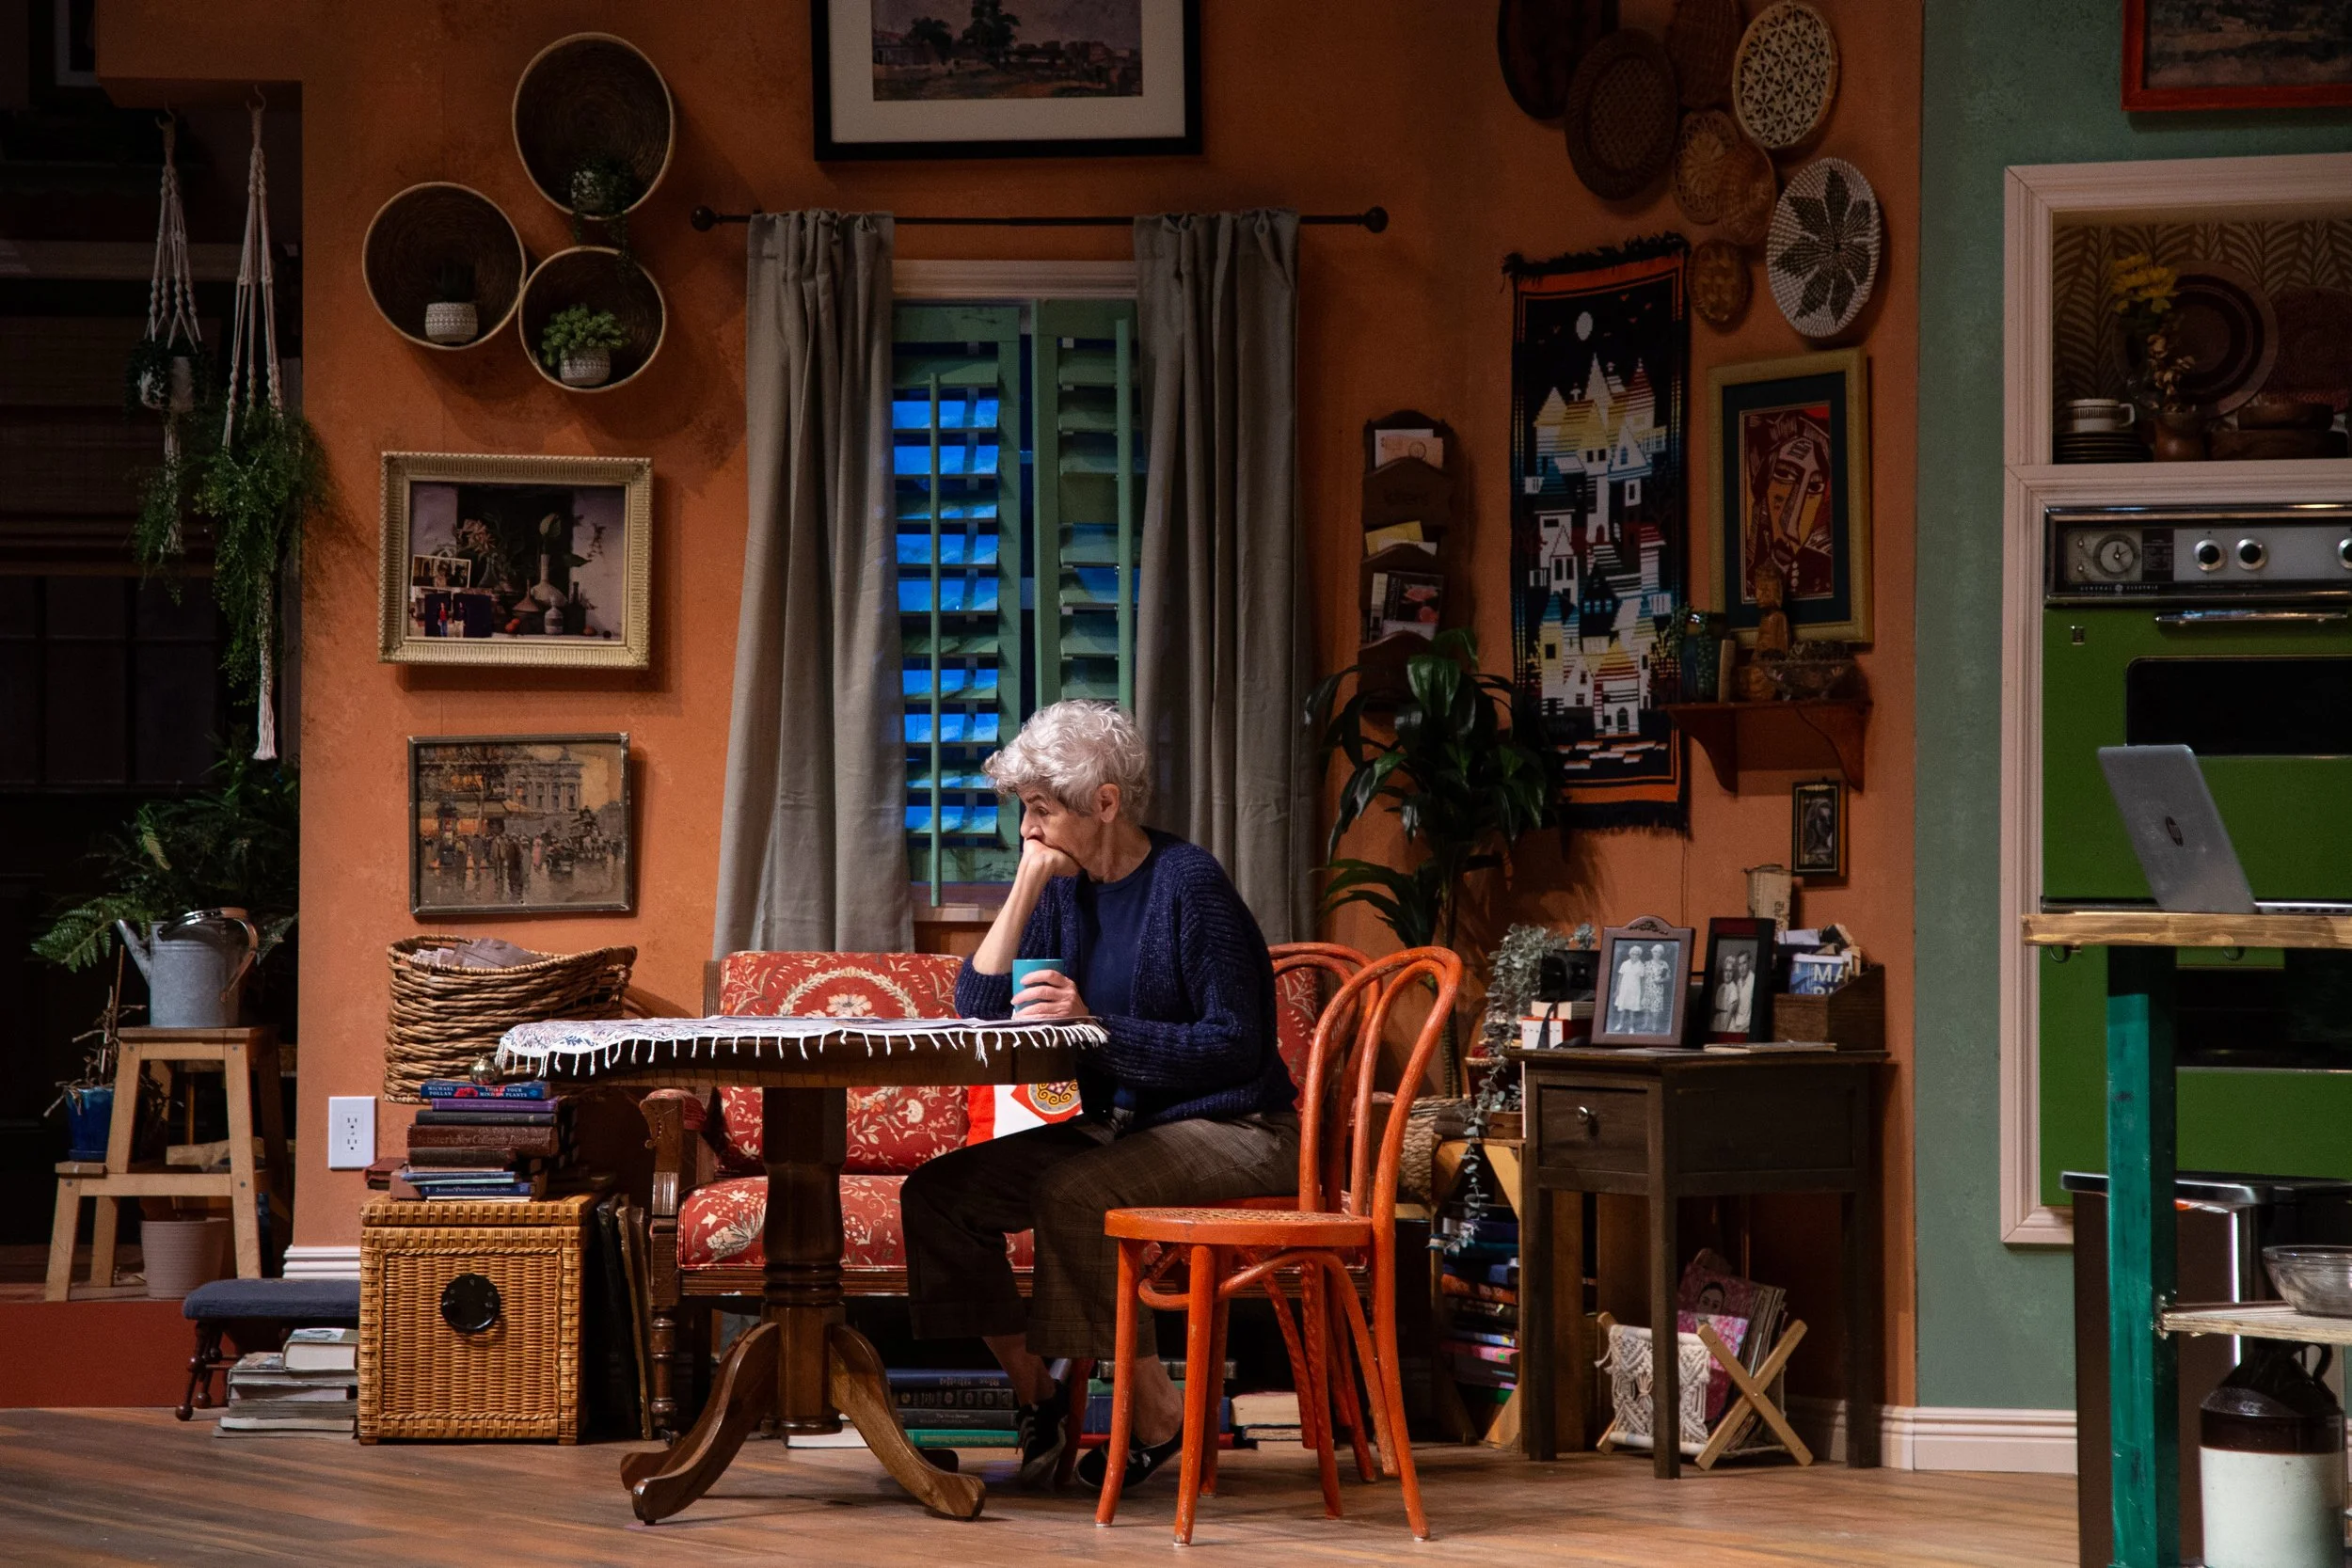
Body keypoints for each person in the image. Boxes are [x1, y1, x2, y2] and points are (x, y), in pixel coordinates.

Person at [898, 701, 1298, 1493]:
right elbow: (979, 1008)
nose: (1028, 829)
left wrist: (1097, 1027)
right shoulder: (1063, 889)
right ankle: (1037, 1393)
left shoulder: (1189, 885)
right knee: (938, 1197)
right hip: (1125, 1127)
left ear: (1105, 802)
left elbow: (1236, 1044)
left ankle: (1158, 1412)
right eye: (1024, 811)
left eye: (1041, 810)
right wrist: (1025, 883)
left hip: (1240, 1124)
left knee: (1075, 1192)